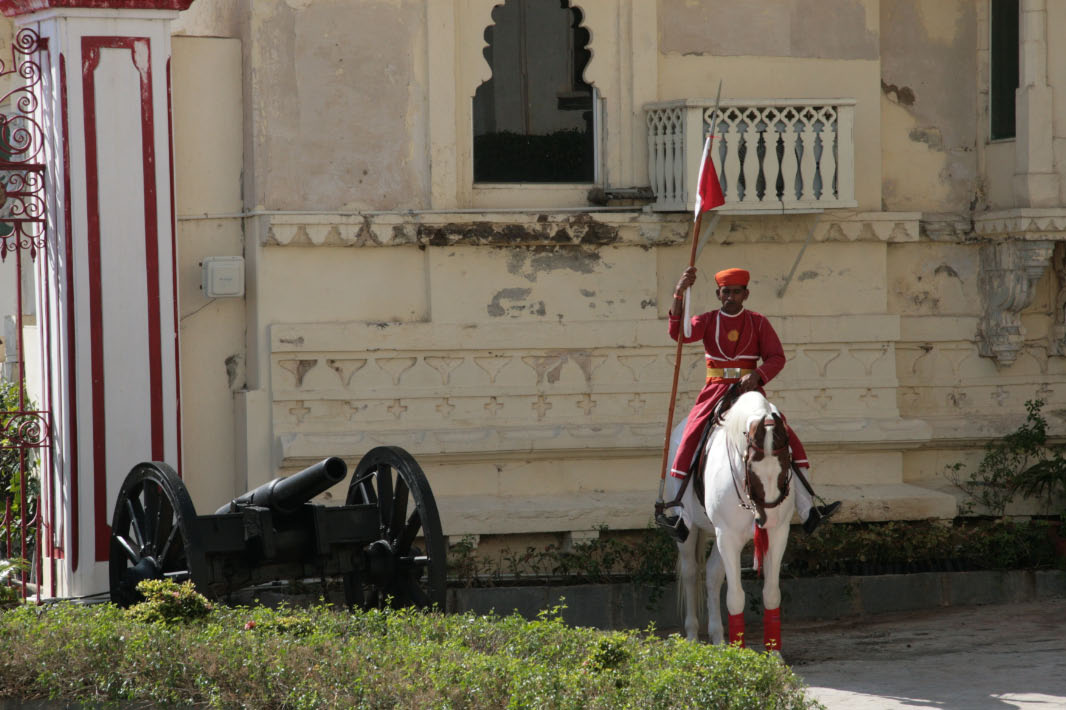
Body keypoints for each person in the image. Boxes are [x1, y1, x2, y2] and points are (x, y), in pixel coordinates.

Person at [667, 266, 840, 533]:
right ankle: (681, 515)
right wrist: (679, 294)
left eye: (736, 292)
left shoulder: (759, 322)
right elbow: (679, 334)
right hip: (715, 390)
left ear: (745, 294)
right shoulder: (707, 320)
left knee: (788, 437)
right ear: (718, 293)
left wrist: (758, 375)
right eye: (726, 292)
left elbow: (777, 358)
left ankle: (808, 509)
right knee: (689, 439)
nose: (730, 297)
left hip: (750, 392)